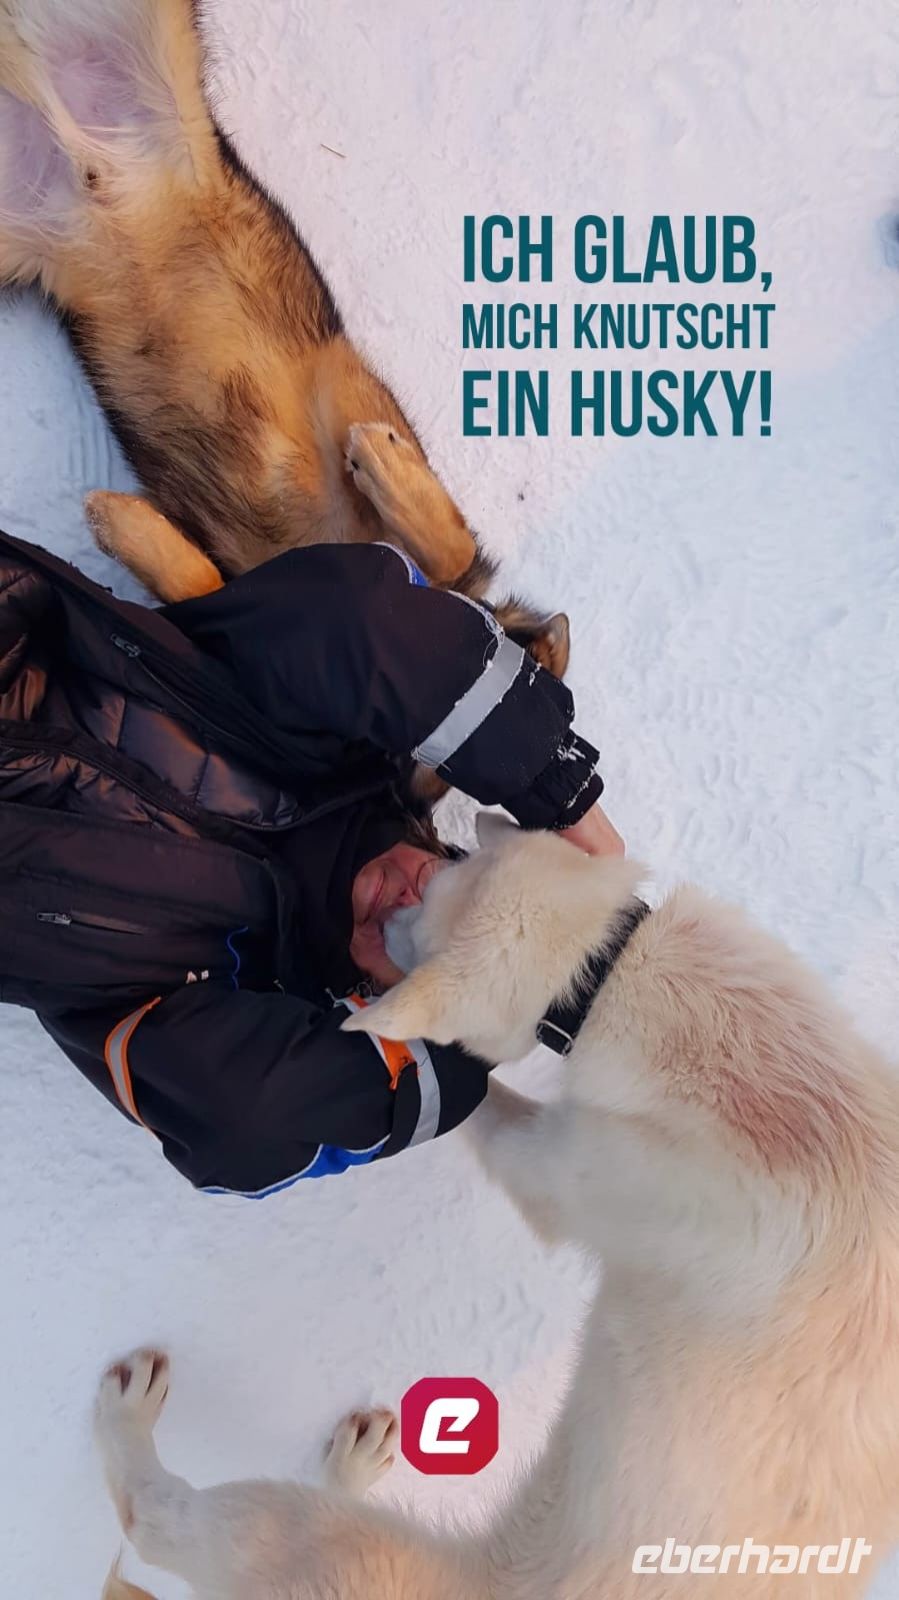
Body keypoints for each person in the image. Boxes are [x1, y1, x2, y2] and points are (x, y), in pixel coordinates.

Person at [0, 530, 622, 1196]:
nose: (413, 908)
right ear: (464, 855)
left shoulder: (210, 996)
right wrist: (558, 787)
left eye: (419, 956)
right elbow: (355, 610)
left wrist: (451, 1068)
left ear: (386, 1004)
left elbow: (243, 1122)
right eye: (456, 896)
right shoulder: (340, 748)